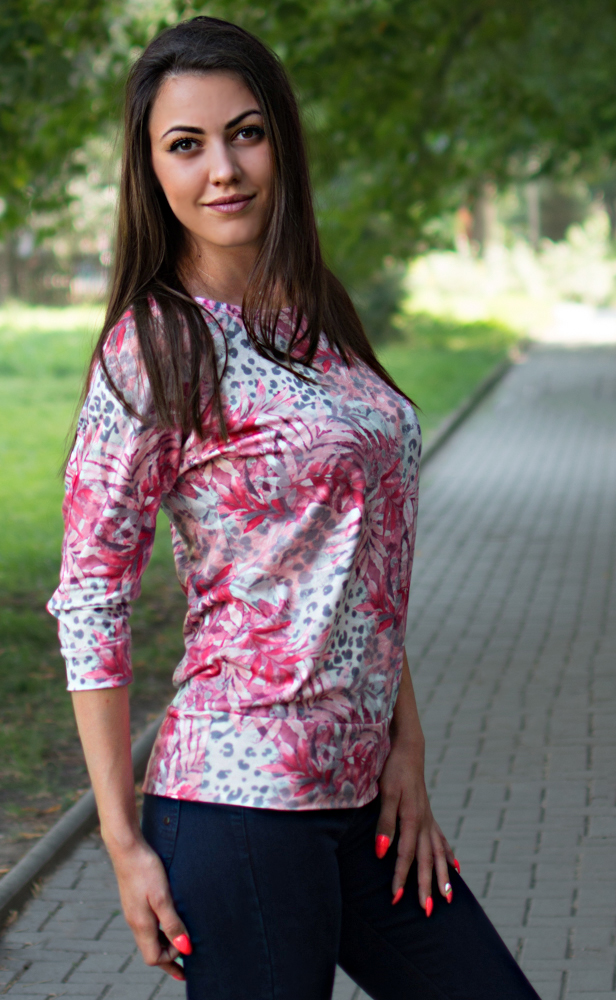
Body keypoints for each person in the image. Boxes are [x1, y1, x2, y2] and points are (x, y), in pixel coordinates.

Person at [48, 17, 541, 1000]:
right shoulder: (156, 346)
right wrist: (121, 840)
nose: (223, 169)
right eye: (185, 145)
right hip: (239, 805)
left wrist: (406, 745)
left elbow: (364, 561)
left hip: (366, 801)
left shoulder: (318, 316)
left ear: (282, 141)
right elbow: (92, 596)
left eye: (246, 133)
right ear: (150, 170)